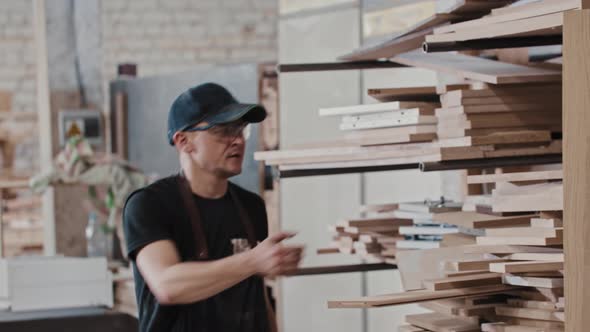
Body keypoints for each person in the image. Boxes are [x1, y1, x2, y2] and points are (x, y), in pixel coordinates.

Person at [123, 82, 304, 332]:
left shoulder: (250, 206)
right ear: (183, 141)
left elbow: (258, 297)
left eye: (241, 130)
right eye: (223, 131)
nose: (238, 141)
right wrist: (252, 261)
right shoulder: (149, 205)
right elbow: (168, 286)